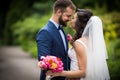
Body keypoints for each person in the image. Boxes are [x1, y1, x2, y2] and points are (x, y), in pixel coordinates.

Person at [46, 9, 110, 80]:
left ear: (79, 22)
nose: (70, 20)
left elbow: (83, 72)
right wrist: (73, 43)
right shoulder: (90, 41)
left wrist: (59, 73)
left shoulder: (79, 43)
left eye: (73, 18)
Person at [36, 0, 76, 80]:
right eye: (68, 16)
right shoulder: (45, 32)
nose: (70, 19)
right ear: (58, 12)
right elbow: (44, 61)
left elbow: (64, 56)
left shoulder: (61, 30)